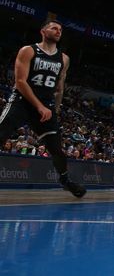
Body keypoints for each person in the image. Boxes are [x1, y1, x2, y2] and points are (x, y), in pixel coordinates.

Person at [0, 21, 86, 197]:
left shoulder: (64, 59)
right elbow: (20, 82)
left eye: (60, 30)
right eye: (54, 28)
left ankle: (65, 180)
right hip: (21, 101)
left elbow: (60, 87)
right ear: (42, 31)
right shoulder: (28, 50)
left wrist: (56, 108)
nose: (58, 31)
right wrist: (39, 106)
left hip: (46, 106)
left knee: (57, 150)